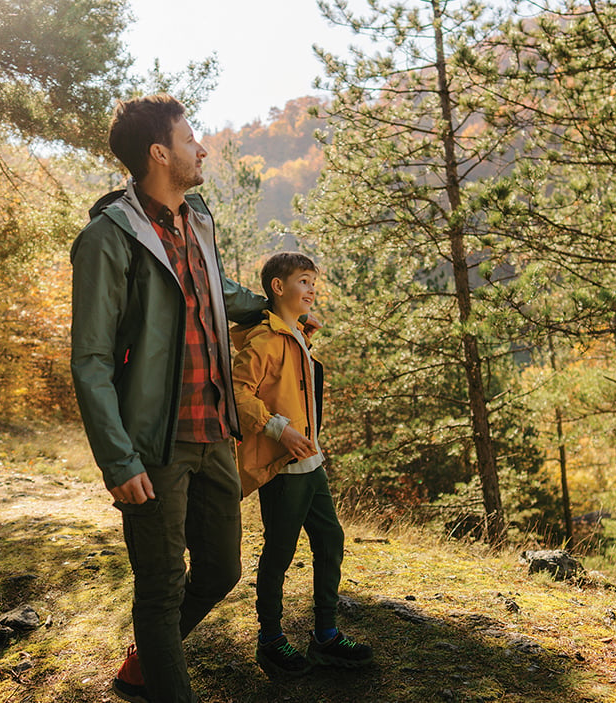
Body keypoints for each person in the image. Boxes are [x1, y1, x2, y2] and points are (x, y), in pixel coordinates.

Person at [70, 94, 270, 703]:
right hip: (153, 442)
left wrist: (273, 308)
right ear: (160, 153)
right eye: (191, 140)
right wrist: (118, 460)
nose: (202, 148)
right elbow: (91, 360)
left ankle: (146, 661)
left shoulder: (197, 217)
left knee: (221, 571)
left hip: (214, 429)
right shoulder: (108, 238)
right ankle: (161, 678)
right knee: (160, 586)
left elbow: (214, 292)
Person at [231, 252, 374, 679]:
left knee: (330, 540)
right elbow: (237, 395)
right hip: (283, 465)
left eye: (314, 282)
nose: (312, 289)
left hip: (311, 462)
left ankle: (325, 636)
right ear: (278, 287)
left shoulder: (296, 334)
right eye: (304, 281)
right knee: (279, 552)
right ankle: (270, 641)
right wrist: (280, 430)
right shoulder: (264, 340)